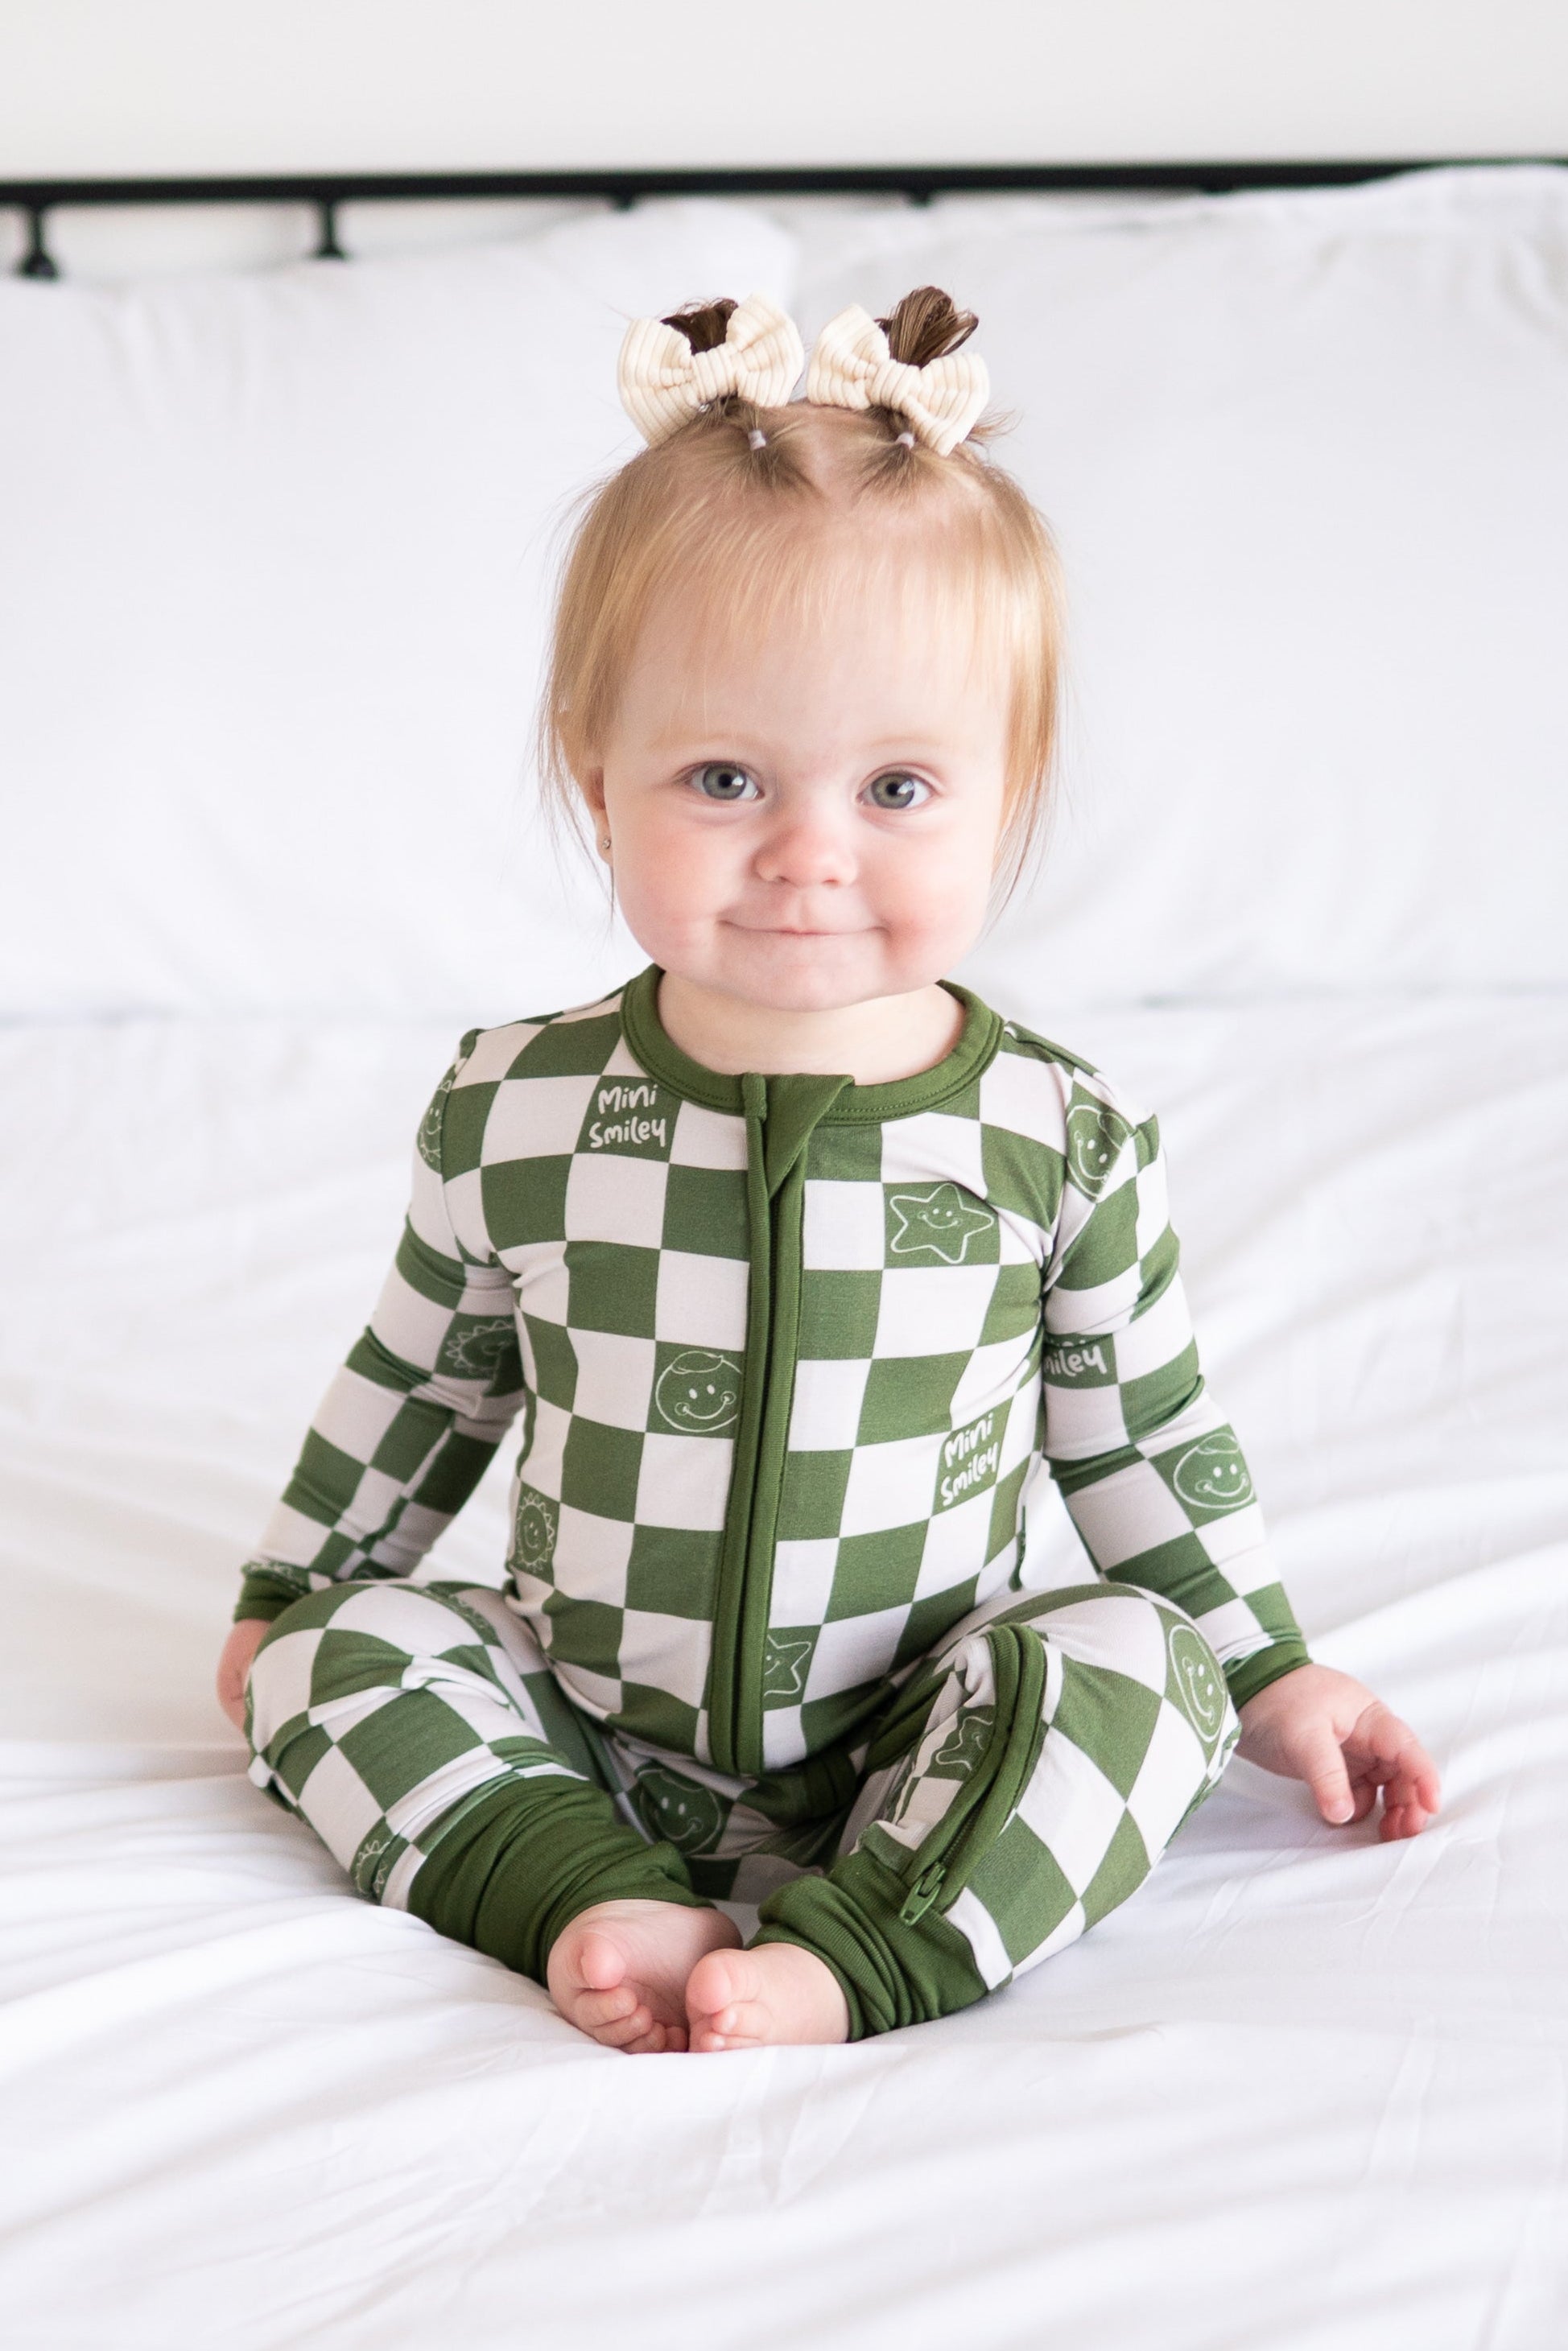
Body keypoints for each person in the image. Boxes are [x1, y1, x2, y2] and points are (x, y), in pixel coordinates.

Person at [217, 287, 1440, 2054]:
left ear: (1003, 792)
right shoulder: (519, 1107)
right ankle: (584, 1888)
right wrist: (283, 1594)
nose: (804, 854)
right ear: (596, 775)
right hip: (580, 1704)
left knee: (1129, 1669)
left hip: (919, 1721)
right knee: (336, 1662)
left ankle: (855, 1953)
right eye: (723, 776)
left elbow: (1142, 1438)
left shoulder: (1051, 1136)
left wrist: (1268, 1667)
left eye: (895, 789)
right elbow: (419, 1382)